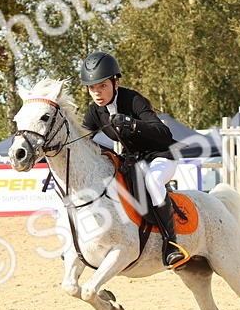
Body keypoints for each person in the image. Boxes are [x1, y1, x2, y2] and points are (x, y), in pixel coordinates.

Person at [78, 51, 185, 268]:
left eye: (102, 86)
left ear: (115, 83)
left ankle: (171, 244)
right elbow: (82, 141)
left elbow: (163, 133)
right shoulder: (94, 111)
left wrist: (134, 124)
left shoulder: (133, 99)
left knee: (153, 182)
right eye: (92, 88)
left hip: (161, 157)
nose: (97, 93)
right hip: (134, 163)